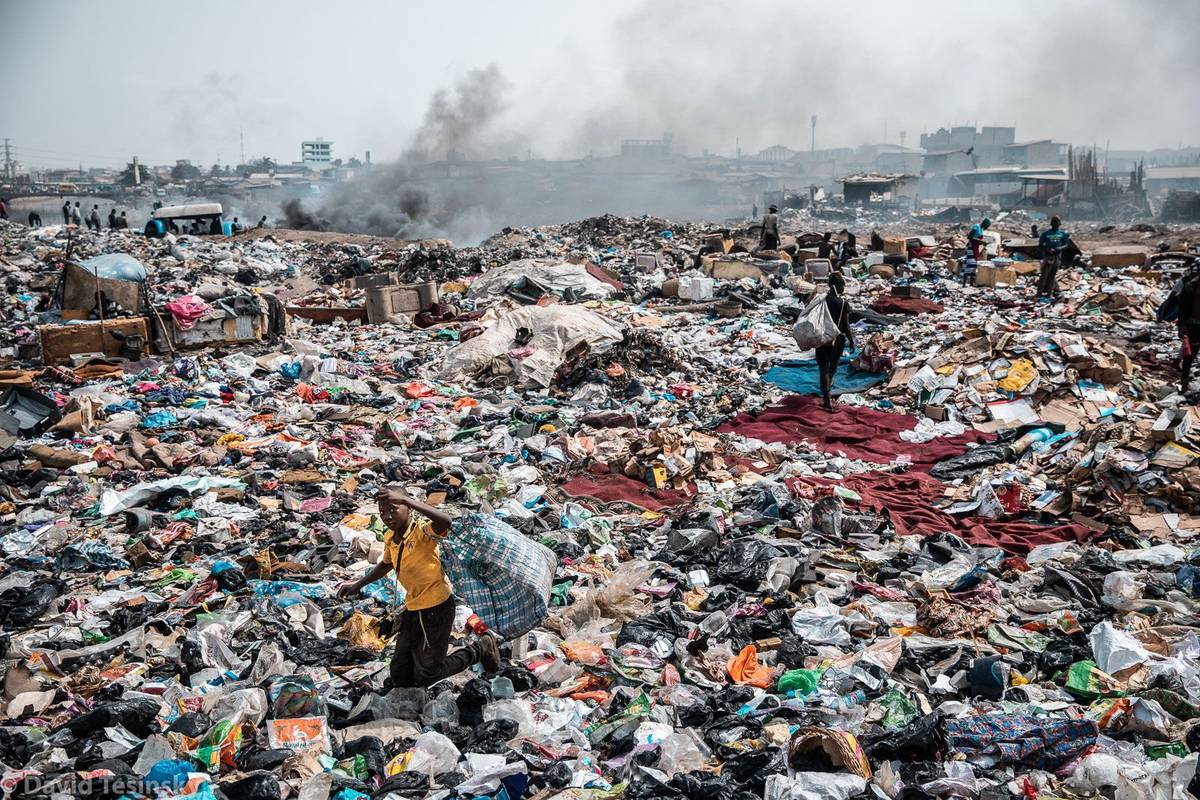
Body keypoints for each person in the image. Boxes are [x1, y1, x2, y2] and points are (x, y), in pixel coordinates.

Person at [338, 486, 500, 688]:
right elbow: (387, 564)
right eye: (382, 512)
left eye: (393, 509)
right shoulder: (391, 537)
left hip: (437, 609)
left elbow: (445, 522)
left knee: (428, 674)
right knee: (400, 674)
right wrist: (357, 585)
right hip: (413, 608)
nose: (387, 516)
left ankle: (480, 648)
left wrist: (408, 500)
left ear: (408, 508)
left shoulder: (423, 532)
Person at [815, 271, 856, 411]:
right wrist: (851, 340)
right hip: (837, 339)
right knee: (832, 366)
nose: (843, 289)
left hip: (822, 338)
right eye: (842, 286)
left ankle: (826, 398)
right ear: (838, 286)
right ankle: (828, 389)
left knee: (823, 369)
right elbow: (846, 325)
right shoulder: (843, 303)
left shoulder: (821, 300)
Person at [1176, 262, 1200, 395]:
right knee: (1189, 357)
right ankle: (1184, 383)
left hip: (1193, 325)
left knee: (1189, 357)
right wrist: (1182, 326)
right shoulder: (1190, 286)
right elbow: (1183, 309)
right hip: (1194, 326)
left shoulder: (1190, 285)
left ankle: (1185, 382)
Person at [1036, 216, 1071, 299]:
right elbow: (1040, 245)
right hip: (1048, 256)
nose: (1056, 223)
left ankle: (1049, 294)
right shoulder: (1046, 234)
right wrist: (1047, 249)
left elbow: (1066, 245)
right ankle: (1039, 294)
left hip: (1057, 256)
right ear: (1051, 223)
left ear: (1059, 223)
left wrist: (1059, 248)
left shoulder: (1062, 234)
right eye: (1054, 222)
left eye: (1057, 221)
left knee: (1052, 276)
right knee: (1044, 275)